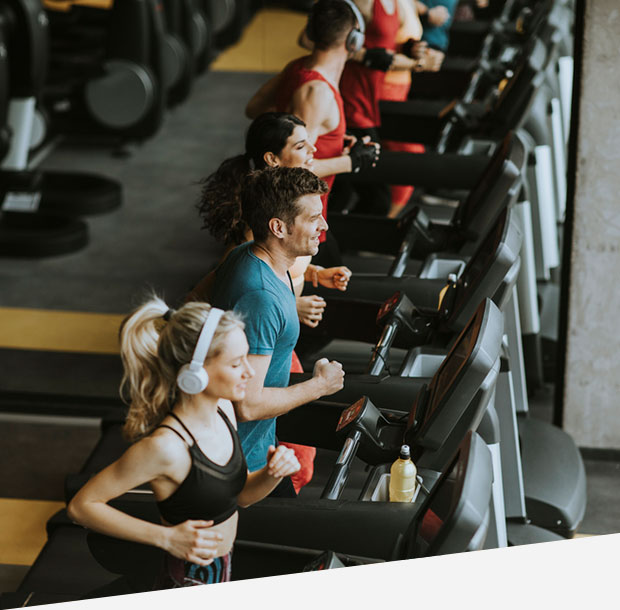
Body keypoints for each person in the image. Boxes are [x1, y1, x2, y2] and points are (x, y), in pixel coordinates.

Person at [67, 297, 301, 587]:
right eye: (235, 363)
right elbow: (82, 505)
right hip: (189, 579)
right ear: (195, 373)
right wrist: (165, 538)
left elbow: (240, 498)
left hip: (223, 566)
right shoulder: (165, 447)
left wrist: (271, 474)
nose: (249, 372)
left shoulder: (223, 410)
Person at [194, 112, 353, 492]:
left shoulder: (250, 254)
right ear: (279, 227)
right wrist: (320, 386)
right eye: (314, 219)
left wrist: (313, 274)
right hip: (244, 467)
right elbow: (247, 405)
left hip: (253, 445)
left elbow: (194, 299)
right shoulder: (260, 296)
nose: (324, 226)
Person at [245, 0, 380, 266]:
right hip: (297, 225)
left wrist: (335, 140)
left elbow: (254, 109)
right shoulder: (317, 92)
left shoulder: (299, 67)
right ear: (354, 40)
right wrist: (352, 162)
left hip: (307, 217)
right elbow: (295, 171)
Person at [196, 112, 352, 331]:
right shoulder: (258, 224)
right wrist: (291, 306)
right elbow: (227, 287)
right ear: (272, 159)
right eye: (300, 146)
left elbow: (276, 265)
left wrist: (313, 274)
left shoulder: (290, 203)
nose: (313, 149)